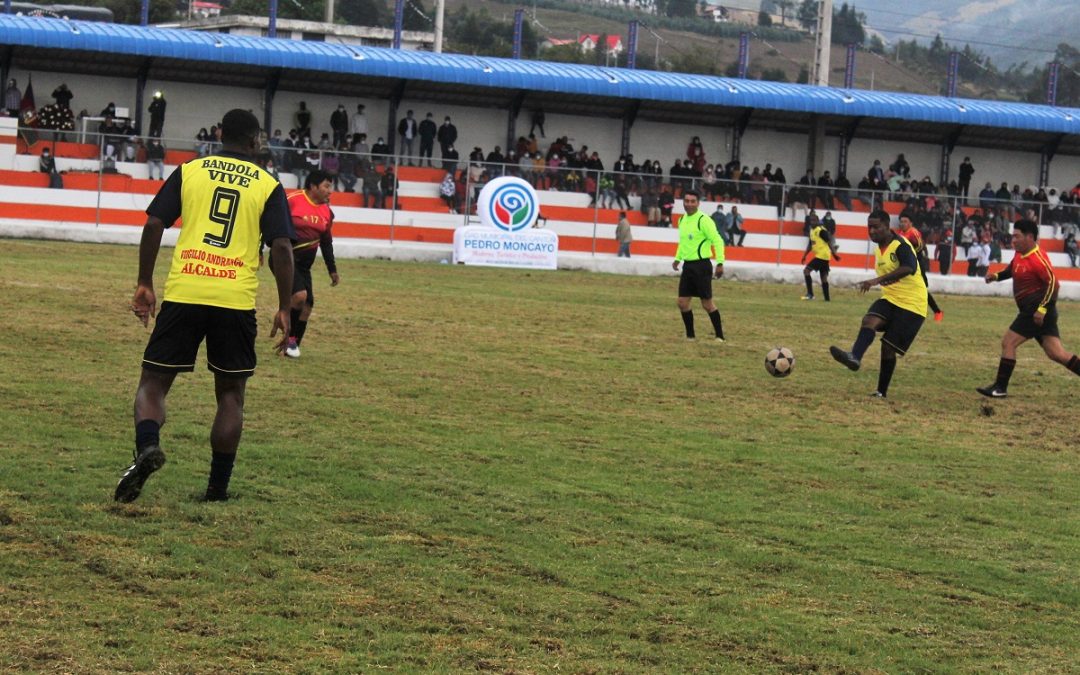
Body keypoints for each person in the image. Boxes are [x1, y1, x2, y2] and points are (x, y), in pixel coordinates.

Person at [116, 109, 295, 504]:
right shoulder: (267, 184)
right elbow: (282, 246)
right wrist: (284, 305)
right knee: (231, 395)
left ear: (219, 135)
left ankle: (148, 446)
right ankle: (216, 490)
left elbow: (153, 225)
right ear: (254, 142)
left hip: (185, 291)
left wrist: (145, 282)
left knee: (153, 383)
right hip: (234, 298)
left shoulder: (191, 170)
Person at [829, 209, 927, 398]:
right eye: (869, 227)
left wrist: (876, 280)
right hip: (891, 299)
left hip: (912, 304)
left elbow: (910, 267)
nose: (872, 231)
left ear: (887, 226)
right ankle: (854, 357)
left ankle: (881, 392)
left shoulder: (900, 244)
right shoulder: (879, 248)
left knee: (887, 347)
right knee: (869, 321)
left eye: (876, 227)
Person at [977, 219, 1080, 398]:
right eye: (1012, 236)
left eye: (1017, 236)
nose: (1013, 240)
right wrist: (995, 276)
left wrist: (1041, 309)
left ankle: (1000, 388)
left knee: (1008, 342)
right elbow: (1012, 270)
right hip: (1038, 312)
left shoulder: (1037, 258)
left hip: (1034, 311)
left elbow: (1054, 285)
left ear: (1030, 237)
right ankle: (999, 388)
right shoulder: (1019, 254)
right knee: (1057, 354)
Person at [272, 170, 339, 359]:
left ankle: (291, 345)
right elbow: (271, 222)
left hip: (304, 266)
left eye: (331, 187)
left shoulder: (327, 212)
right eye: (326, 186)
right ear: (313, 186)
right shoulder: (292, 200)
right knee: (300, 297)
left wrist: (332, 270)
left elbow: (326, 242)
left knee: (307, 307)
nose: (329, 191)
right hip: (284, 259)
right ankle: (286, 331)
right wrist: (260, 248)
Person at [672, 189, 726, 341]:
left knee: (707, 304)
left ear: (698, 203)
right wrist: (677, 258)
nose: (689, 204)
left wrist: (720, 262)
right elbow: (683, 242)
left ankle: (720, 337)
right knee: (682, 302)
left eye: (692, 201)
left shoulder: (704, 220)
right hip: (688, 266)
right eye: (686, 201)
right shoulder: (682, 220)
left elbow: (717, 240)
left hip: (702, 266)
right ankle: (690, 337)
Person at [896, 209, 943, 321]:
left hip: (917, 264)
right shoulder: (900, 234)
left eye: (905, 221)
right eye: (901, 221)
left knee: (922, 289)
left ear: (910, 223)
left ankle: (937, 311)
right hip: (907, 264)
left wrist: (910, 254)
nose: (902, 223)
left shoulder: (913, 232)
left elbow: (920, 246)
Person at [801, 217, 840, 301]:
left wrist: (834, 254)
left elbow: (829, 241)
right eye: (811, 221)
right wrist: (804, 256)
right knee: (823, 277)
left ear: (818, 221)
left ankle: (810, 294)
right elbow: (810, 245)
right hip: (823, 256)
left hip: (822, 256)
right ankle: (827, 299)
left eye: (814, 220)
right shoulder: (812, 231)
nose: (812, 222)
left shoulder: (821, 230)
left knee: (806, 271)